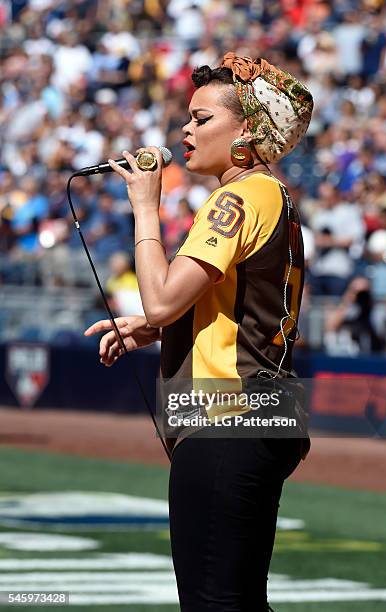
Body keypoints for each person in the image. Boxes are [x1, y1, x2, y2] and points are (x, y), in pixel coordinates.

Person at [84, 51, 313, 612]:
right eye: (188, 118)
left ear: (248, 132)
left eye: (203, 119)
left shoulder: (235, 198)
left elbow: (160, 299)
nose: (186, 129)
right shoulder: (270, 194)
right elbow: (235, 309)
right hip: (260, 417)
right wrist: (153, 331)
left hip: (225, 422)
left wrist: (145, 207)